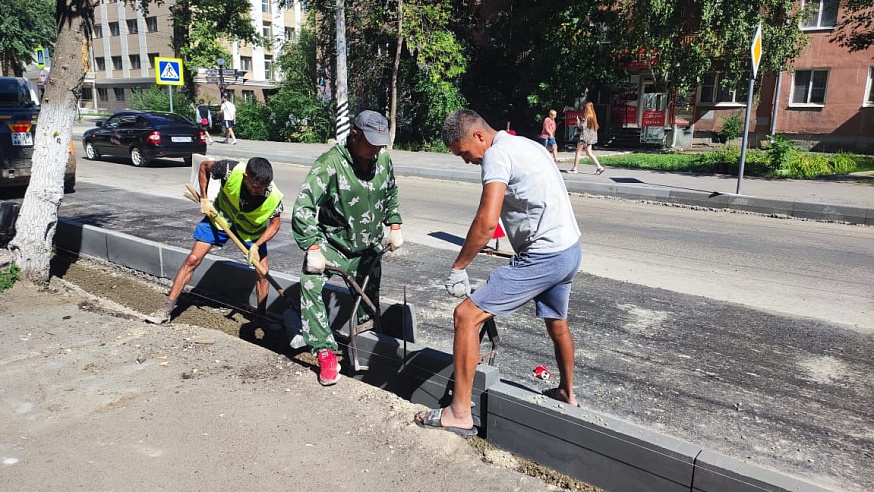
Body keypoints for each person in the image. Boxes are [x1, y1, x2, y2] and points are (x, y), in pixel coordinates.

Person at [414, 109, 582, 436]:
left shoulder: (495, 155)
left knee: (465, 316)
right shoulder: (525, 145)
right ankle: (567, 393)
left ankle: (459, 412)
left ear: (478, 136)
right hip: (569, 249)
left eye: (463, 152)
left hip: (543, 256)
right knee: (557, 322)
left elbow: (487, 221)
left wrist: (459, 266)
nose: (466, 160)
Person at [291, 110, 404, 386]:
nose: (376, 149)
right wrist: (313, 246)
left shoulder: (382, 159)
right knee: (309, 283)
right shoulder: (329, 164)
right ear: (354, 135)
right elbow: (303, 207)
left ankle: (364, 332)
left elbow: (390, 191)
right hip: (334, 245)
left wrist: (395, 225)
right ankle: (325, 351)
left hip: (368, 246)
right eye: (371, 143)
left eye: (380, 144)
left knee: (368, 295)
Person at [154, 157, 283, 323]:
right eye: (255, 186)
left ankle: (261, 319)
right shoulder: (229, 169)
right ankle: (167, 308)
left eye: (263, 187)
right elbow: (204, 167)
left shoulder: (274, 196)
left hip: (250, 231)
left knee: (262, 273)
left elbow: (275, 225)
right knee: (193, 259)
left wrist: (256, 246)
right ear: (245, 176)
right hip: (220, 218)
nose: (259, 191)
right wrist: (204, 199)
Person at [570, 102, 604, 175]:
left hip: (584, 137)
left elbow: (582, 127)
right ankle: (599, 167)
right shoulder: (593, 116)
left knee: (578, 152)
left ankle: (574, 168)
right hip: (590, 138)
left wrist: (578, 121)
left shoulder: (586, 116)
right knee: (589, 153)